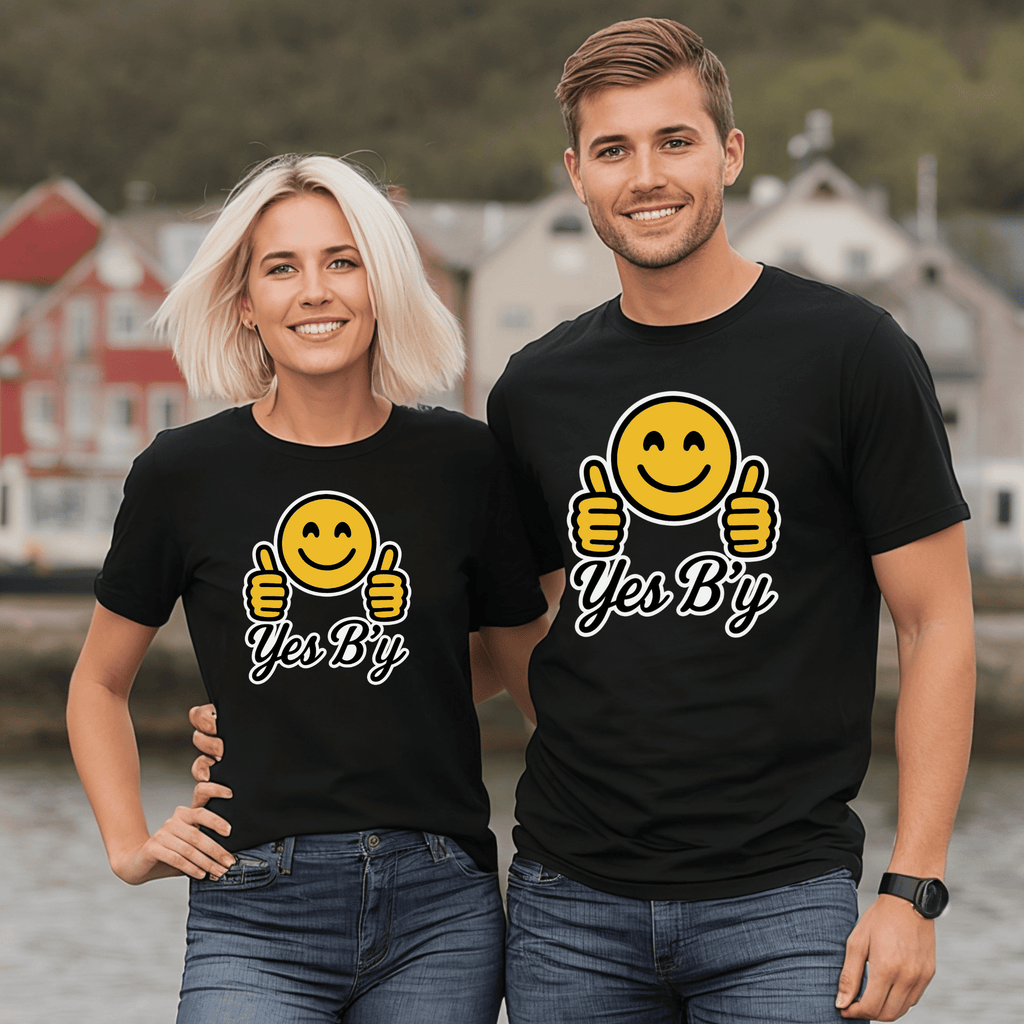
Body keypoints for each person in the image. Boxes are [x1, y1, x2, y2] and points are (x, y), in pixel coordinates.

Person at [192, 19, 974, 1024]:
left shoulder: (852, 355)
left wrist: (914, 887)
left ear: (729, 153)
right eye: (613, 150)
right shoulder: (536, 389)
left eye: (673, 141)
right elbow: (502, 636)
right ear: (577, 173)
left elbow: (937, 623)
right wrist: (285, 701)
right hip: (570, 906)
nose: (645, 175)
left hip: (781, 904)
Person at [66, 153, 547, 1024]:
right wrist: (129, 844)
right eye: (281, 268)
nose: (314, 291)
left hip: (441, 907)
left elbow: (518, 671)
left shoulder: (464, 463)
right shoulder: (183, 472)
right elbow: (97, 682)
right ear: (246, 304)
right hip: (251, 906)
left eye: (342, 260)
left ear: (382, 283)